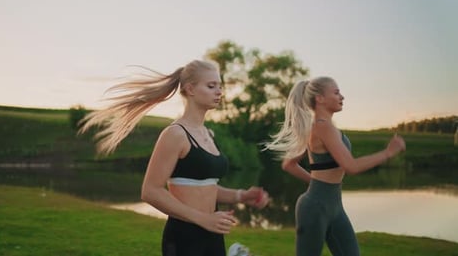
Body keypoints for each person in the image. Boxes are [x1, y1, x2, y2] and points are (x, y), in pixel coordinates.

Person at [79, 59, 269, 256]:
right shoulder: (175, 134)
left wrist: (241, 196)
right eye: (211, 86)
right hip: (184, 238)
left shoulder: (208, 134)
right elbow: (150, 191)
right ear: (190, 89)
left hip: (212, 233)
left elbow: (206, 187)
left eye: (220, 86)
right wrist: (202, 218)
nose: (219, 92)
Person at [264, 76, 406, 256]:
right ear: (320, 99)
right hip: (315, 208)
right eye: (336, 92)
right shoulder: (321, 127)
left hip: (334, 205)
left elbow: (288, 164)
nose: (342, 97)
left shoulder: (324, 128)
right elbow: (351, 167)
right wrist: (388, 153)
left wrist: (316, 184)